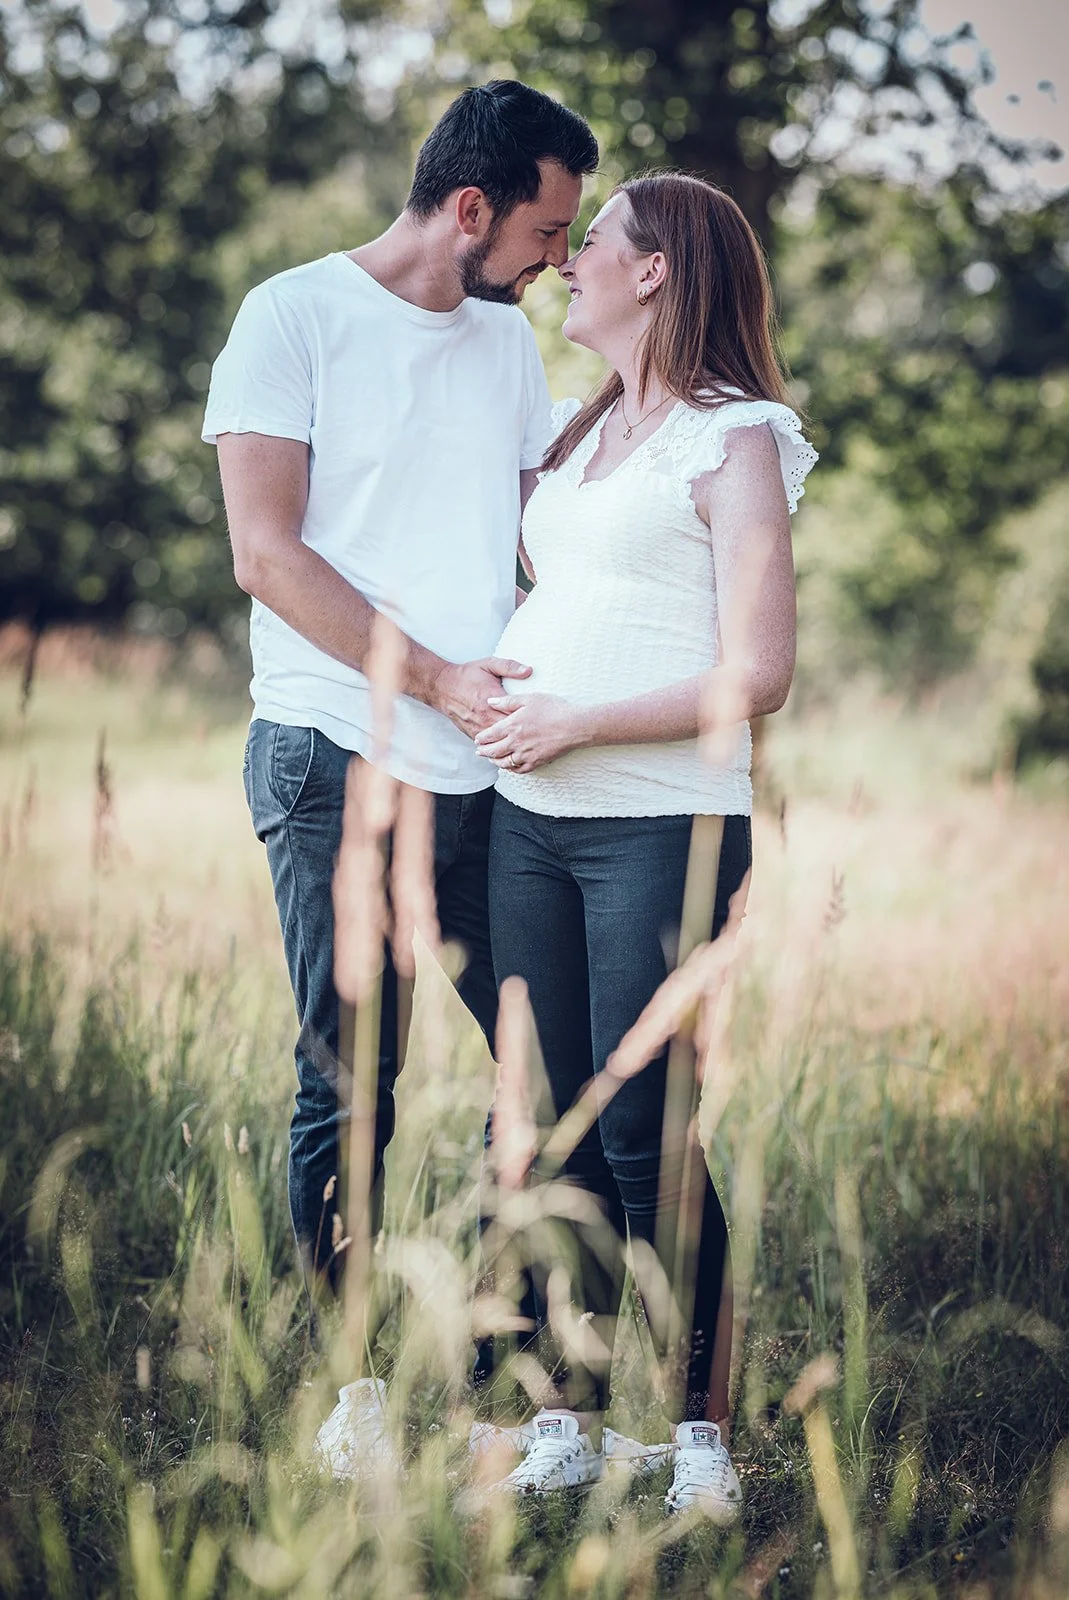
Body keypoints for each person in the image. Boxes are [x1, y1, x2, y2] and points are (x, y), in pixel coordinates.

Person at [201, 81, 598, 1475]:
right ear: (470, 208)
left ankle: (546, 1402)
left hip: (485, 777)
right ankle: (351, 1395)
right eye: (549, 230)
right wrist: (432, 674)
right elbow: (268, 553)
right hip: (333, 750)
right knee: (353, 1083)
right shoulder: (292, 315)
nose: (561, 259)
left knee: (555, 1078)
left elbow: (550, 515)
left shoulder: (504, 345)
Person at [472, 172, 817, 1517]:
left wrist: (576, 719)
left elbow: (760, 670)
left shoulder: (736, 439)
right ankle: (565, 1414)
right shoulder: (578, 434)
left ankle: (700, 1441)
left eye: (590, 242)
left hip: (661, 823)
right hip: (532, 826)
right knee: (550, 1133)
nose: (568, 264)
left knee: (649, 1136)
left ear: (657, 268)